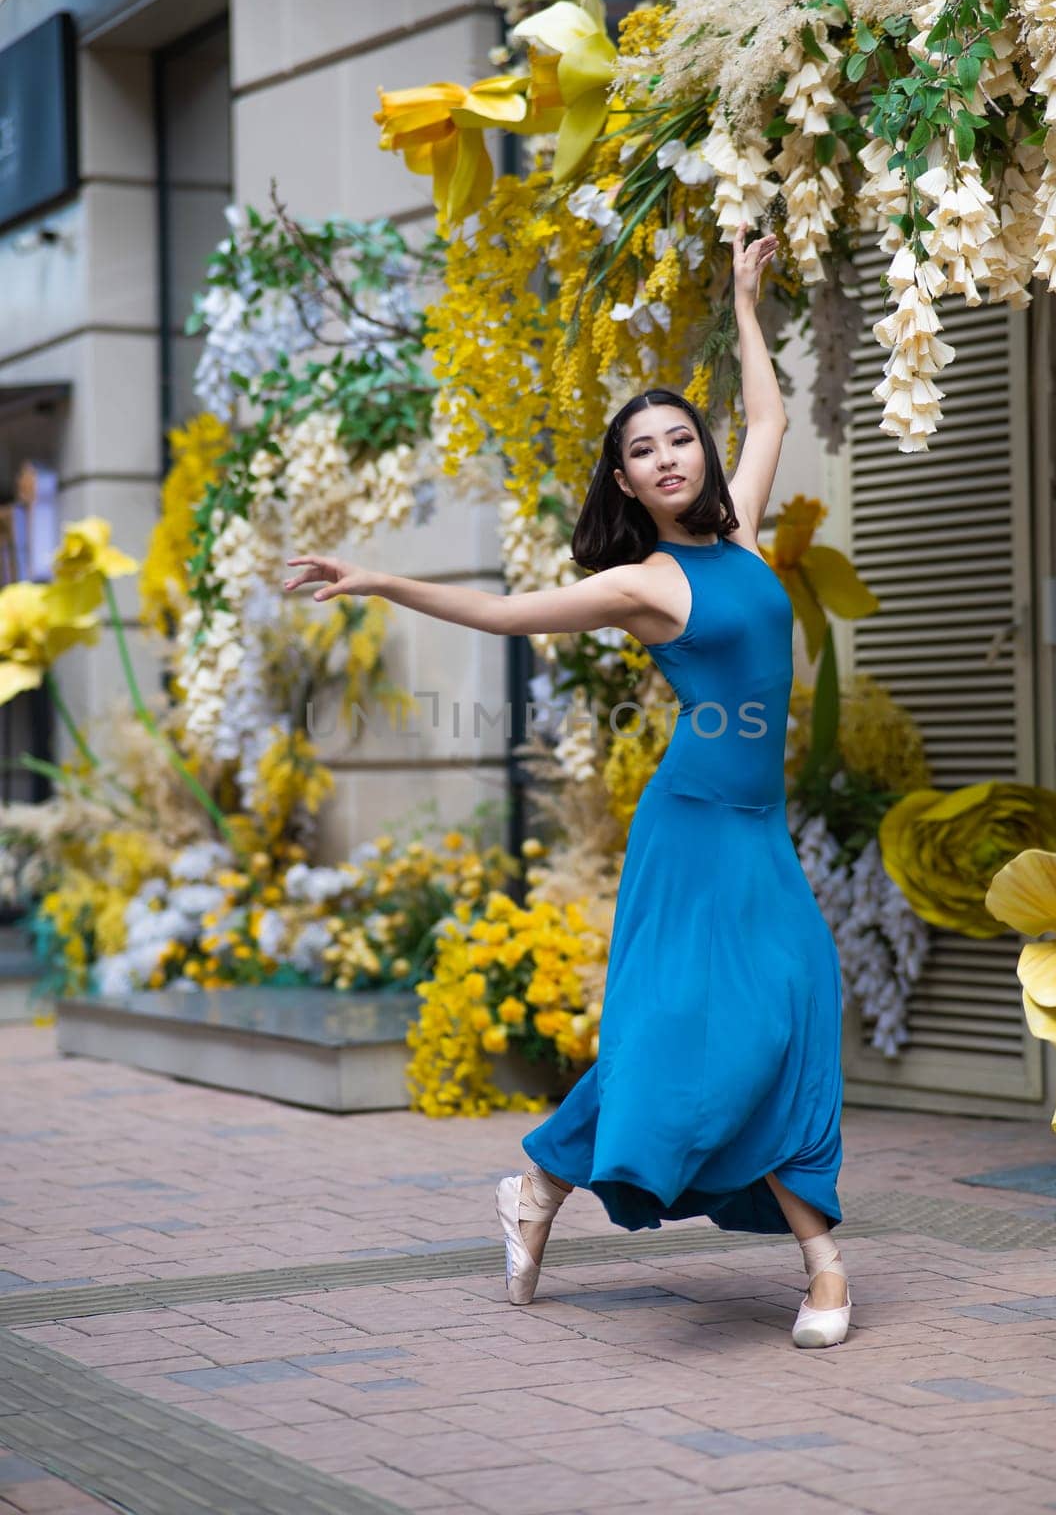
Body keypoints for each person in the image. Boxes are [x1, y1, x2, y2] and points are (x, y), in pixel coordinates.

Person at [284, 222, 850, 1350]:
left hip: (754, 825)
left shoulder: (737, 530)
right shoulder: (643, 581)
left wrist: (743, 295)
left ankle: (540, 1181)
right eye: (644, 451)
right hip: (692, 828)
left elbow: (773, 410)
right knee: (722, 1030)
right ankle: (824, 1266)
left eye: (680, 438)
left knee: (792, 1014)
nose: (671, 458)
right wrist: (381, 576)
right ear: (627, 479)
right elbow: (499, 614)